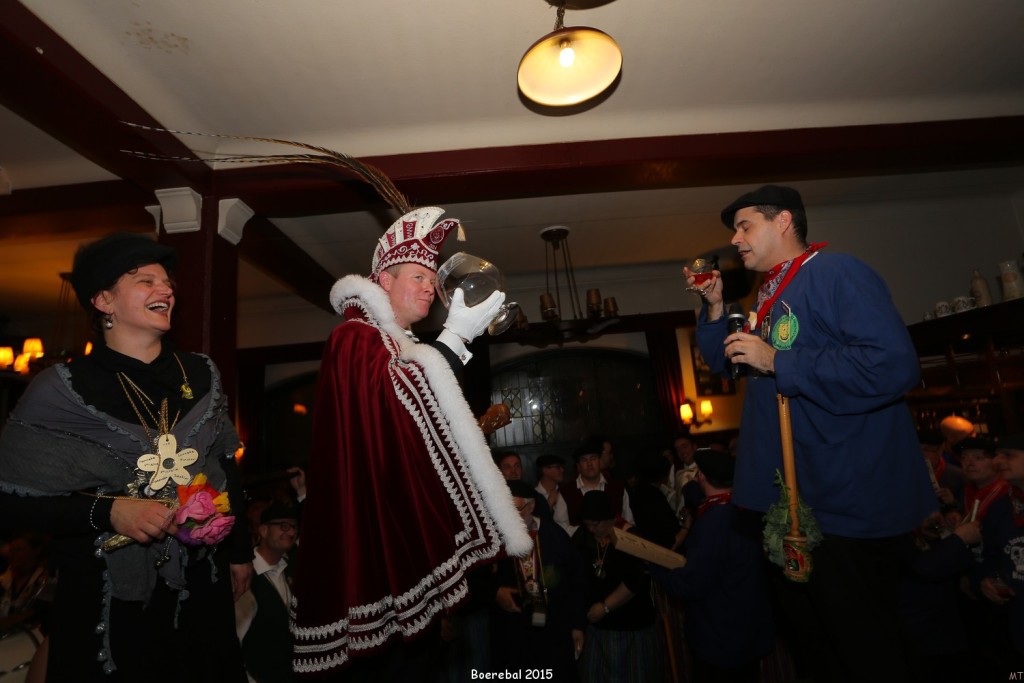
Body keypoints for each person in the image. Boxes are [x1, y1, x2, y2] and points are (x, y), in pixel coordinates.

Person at [691, 185, 936, 682]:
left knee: (865, 651)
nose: (735, 240)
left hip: (842, 502)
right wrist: (715, 307)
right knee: (816, 648)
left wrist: (779, 361)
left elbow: (892, 365)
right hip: (790, 506)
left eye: (744, 226)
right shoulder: (771, 291)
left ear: (783, 221)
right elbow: (730, 362)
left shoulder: (836, 272)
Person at [291, 206, 532, 679]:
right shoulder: (355, 338)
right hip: (375, 538)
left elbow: (419, 442)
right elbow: (395, 406)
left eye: (431, 279)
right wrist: (455, 336)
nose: (430, 288)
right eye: (418, 277)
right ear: (384, 281)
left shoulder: (397, 344)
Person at [0, 232, 252, 682]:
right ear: (104, 301)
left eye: (167, 281)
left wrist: (239, 551)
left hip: (202, 584)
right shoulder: (61, 390)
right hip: (108, 596)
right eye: (145, 280)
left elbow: (224, 466)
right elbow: (12, 500)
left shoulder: (201, 373)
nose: (166, 289)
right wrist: (109, 511)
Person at [649, 449, 774, 682]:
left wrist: (656, 567)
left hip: (721, 636)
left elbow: (692, 583)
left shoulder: (712, 522)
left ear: (702, 476)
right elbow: (695, 493)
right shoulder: (744, 509)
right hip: (750, 630)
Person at [490, 479, 586, 682]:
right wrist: (495, 592)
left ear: (532, 506)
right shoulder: (496, 540)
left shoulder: (554, 535)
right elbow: (480, 581)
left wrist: (577, 624)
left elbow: (577, 579)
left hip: (554, 633)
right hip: (514, 634)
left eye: (517, 509)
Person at [572, 490, 660, 682]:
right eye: (587, 524)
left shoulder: (630, 538)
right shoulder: (583, 536)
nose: (591, 530)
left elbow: (635, 580)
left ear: (609, 519)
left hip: (629, 627)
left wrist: (605, 607)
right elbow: (576, 578)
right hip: (597, 630)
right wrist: (578, 623)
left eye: (595, 524)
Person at [236, 502, 300, 683]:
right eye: (283, 526)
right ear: (263, 531)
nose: (290, 532)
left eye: (294, 526)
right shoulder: (244, 574)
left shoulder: (290, 568)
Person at [561, 436, 635, 529]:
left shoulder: (618, 487)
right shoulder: (566, 492)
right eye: (584, 460)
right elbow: (561, 527)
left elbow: (629, 522)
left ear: (599, 461)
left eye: (593, 458)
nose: (589, 464)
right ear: (578, 466)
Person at [535, 454, 573, 535]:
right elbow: (537, 526)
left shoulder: (567, 491)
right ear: (545, 470)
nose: (562, 470)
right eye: (558, 467)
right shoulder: (534, 495)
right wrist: (548, 505)